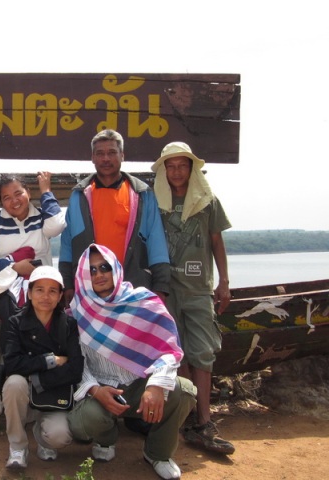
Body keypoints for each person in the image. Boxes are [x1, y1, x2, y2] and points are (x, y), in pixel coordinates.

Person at [68, 244, 196, 479]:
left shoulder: (144, 302)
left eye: (104, 267)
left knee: (183, 391)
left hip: (140, 385)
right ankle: (106, 439)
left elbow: (169, 351)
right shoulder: (78, 311)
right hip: (102, 388)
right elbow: (77, 361)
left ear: (115, 268)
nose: (99, 274)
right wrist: (95, 390)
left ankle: (157, 453)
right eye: (92, 270)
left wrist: (156, 384)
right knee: (84, 421)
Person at [151, 141, 235, 454]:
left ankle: (205, 421)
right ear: (164, 170)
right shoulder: (155, 201)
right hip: (167, 289)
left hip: (199, 289)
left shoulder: (207, 200)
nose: (176, 172)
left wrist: (224, 282)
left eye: (182, 165)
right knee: (178, 354)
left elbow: (217, 241)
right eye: (170, 166)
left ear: (191, 168)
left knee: (202, 353)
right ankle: (186, 418)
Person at [0, 173, 66, 415]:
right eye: (6, 197)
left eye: (18, 193)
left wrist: (46, 190)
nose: (14, 201)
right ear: (1, 202)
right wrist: (14, 267)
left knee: (38, 321)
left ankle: (34, 380)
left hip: (37, 285)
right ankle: (0, 373)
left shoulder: (42, 216)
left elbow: (57, 226)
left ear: (28, 192)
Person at [59, 129, 170, 305]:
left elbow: (156, 242)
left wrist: (160, 286)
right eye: (100, 153)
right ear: (92, 158)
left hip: (133, 288)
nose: (106, 158)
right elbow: (67, 243)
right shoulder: (79, 196)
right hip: (90, 290)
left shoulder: (142, 194)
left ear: (122, 155)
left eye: (112, 152)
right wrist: (67, 284)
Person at [2, 266, 84, 470]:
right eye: (39, 290)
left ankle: (42, 437)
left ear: (60, 296)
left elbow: (75, 369)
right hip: (24, 397)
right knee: (13, 383)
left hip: (53, 396)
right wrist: (50, 360)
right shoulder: (15, 322)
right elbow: (11, 364)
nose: (45, 296)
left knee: (60, 437)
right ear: (29, 293)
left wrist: (37, 380)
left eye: (52, 291)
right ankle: (17, 447)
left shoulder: (69, 325)